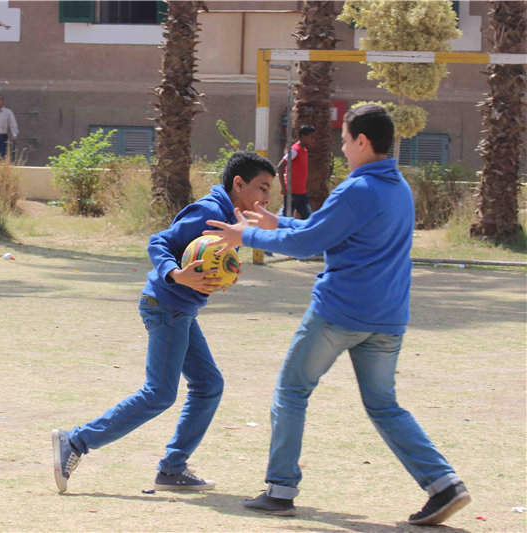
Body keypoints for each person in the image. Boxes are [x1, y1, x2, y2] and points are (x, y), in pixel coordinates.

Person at [204, 105, 469, 526]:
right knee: (384, 406)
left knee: (292, 391)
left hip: (339, 314)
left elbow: (309, 244)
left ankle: (280, 490)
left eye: (345, 141)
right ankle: (444, 484)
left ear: (362, 141)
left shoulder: (356, 189)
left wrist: (246, 235)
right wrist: (279, 224)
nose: (343, 149)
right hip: (388, 319)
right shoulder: (398, 187)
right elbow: (326, 231)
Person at [52, 152, 276, 494]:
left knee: (208, 385)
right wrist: (176, 274)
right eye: (263, 187)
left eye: (270, 190)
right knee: (159, 393)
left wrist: (225, 273)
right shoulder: (209, 212)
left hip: (179, 309)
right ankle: (75, 441)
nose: (267, 197)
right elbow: (159, 242)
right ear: (238, 183)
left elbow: (205, 259)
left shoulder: (234, 218)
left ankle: (172, 469)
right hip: (165, 305)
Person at [276, 124, 316, 219]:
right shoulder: (295, 151)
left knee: (308, 218)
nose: (313, 140)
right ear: (303, 136)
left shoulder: (304, 151)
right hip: (292, 193)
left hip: (302, 193)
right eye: (311, 137)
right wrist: (283, 187)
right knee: (286, 219)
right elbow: (280, 167)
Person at [0, 94, 18, 159]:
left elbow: (13, 124)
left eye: (0, 99)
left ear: (3, 101)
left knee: (1, 157)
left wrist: (14, 135)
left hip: (2, 137)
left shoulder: (8, 112)